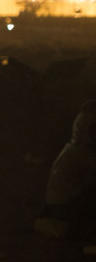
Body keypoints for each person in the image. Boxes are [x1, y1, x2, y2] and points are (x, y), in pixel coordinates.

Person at [35, 100, 96, 239]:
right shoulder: (82, 153)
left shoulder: (75, 149)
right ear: (86, 129)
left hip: (58, 206)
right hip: (64, 208)